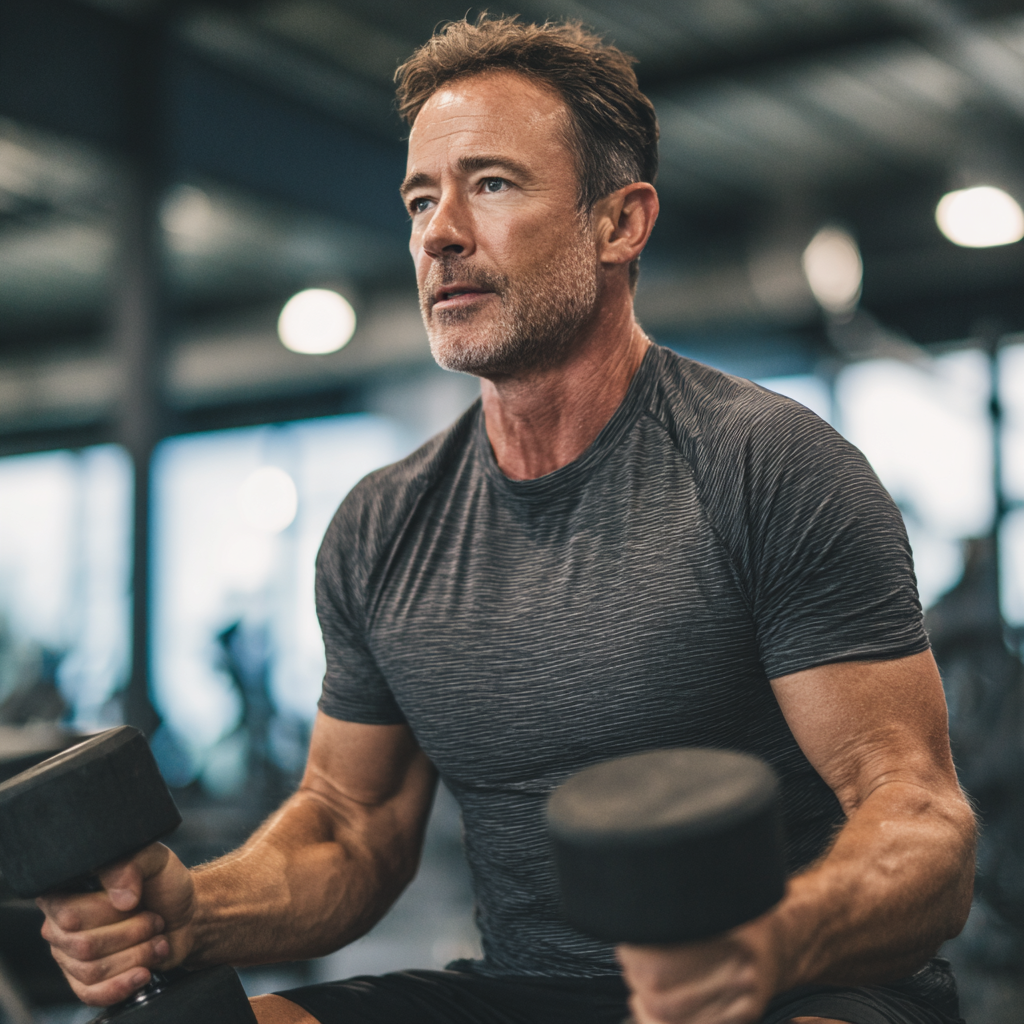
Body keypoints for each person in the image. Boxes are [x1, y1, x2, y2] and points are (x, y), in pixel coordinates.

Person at [38, 16, 976, 1024]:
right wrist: (189, 909)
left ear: (619, 224)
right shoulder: (383, 523)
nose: (438, 231)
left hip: (797, 982)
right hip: (529, 991)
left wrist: (769, 937)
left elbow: (919, 820)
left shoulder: (766, 465)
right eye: (418, 197)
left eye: (489, 184)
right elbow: (351, 828)